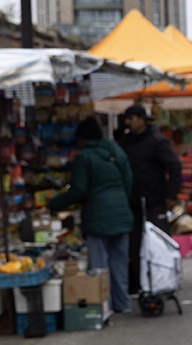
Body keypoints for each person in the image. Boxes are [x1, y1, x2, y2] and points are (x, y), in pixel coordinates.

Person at [49, 116, 134, 314]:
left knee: (99, 266)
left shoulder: (84, 158)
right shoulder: (116, 151)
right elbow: (128, 179)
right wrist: (121, 199)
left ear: (83, 139)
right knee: (119, 263)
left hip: (98, 217)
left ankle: (103, 307)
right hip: (121, 214)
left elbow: (79, 190)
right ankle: (123, 304)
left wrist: (54, 203)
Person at [120, 104, 181, 296]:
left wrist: (170, 194)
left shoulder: (157, 141)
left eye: (131, 118)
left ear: (141, 119)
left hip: (154, 201)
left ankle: (165, 281)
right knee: (135, 244)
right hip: (133, 202)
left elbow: (175, 167)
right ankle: (139, 282)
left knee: (159, 242)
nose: (127, 122)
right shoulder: (125, 142)